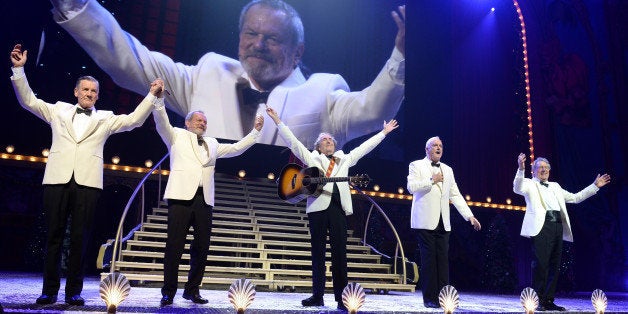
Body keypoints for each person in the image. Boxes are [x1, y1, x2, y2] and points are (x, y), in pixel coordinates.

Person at [49, 0, 405, 147]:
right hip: (202, 203)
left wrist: (402, 52)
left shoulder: (324, 91)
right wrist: (74, 5)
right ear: (239, 39)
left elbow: (374, 109)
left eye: (273, 38)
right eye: (251, 33)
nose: (258, 44)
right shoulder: (205, 74)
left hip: (290, 219)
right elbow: (129, 60)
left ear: (299, 51)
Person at [9, 44, 161, 306]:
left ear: (97, 96)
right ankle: (49, 291)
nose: (89, 94)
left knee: (81, 238)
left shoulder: (105, 118)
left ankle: (73, 292)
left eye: (94, 91)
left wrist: (151, 95)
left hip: (88, 184)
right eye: (85, 90)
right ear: (76, 92)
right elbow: (28, 101)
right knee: (54, 236)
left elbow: (134, 120)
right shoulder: (58, 110)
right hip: (57, 179)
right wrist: (19, 69)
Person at [266, 105, 398, 311]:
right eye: (324, 140)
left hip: (337, 208)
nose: (328, 142)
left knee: (340, 254)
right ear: (318, 146)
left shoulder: (344, 159)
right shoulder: (312, 158)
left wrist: (383, 133)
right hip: (317, 208)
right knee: (317, 253)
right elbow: (293, 142)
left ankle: (341, 297)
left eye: (330, 140)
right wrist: (277, 120)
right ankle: (317, 296)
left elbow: (364, 148)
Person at [153, 105, 263, 306]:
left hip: (204, 200)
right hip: (180, 197)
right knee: (174, 247)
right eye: (198, 120)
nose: (202, 124)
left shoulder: (212, 143)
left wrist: (255, 132)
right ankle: (168, 291)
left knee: (202, 247)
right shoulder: (176, 135)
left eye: (204, 121)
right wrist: (158, 102)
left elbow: (236, 148)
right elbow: (161, 122)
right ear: (187, 123)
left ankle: (192, 290)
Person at [514, 153, 610, 311]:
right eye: (540, 168)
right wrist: (520, 168)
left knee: (554, 265)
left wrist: (595, 186)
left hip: (558, 226)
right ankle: (537, 301)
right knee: (541, 264)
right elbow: (517, 188)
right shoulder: (529, 184)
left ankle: (549, 301)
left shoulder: (556, 186)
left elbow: (575, 198)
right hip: (541, 226)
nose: (543, 170)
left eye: (546, 168)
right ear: (534, 171)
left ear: (550, 171)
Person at [406, 136, 481, 308]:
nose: (438, 148)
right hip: (424, 221)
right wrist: (432, 180)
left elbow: (455, 194)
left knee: (442, 260)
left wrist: (469, 216)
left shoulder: (448, 170)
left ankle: (443, 297)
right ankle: (430, 299)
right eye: (435, 145)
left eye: (440, 145)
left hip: (443, 222)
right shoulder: (416, 165)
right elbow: (411, 188)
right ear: (427, 149)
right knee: (429, 260)